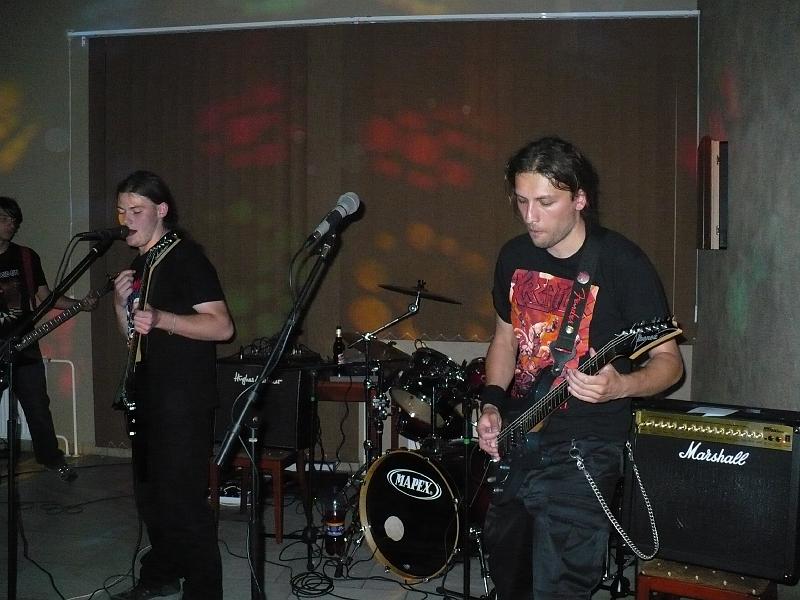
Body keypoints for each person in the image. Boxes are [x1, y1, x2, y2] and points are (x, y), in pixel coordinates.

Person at [476, 136, 683, 599]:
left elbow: (670, 364)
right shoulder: (513, 257)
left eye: (545, 202)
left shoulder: (622, 263)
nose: (530, 216)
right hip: (522, 435)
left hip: (586, 447)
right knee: (510, 577)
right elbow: (505, 338)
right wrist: (491, 403)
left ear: (580, 199)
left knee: (560, 584)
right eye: (522, 201)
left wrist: (620, 385)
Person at [111, 171, 234, 600]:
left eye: (136, 210)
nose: (126, 219)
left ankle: (204, 593)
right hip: (147, 396)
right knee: (151, 499)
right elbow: (134, 338)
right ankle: (161, 574)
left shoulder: (185, 258)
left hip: (182, 400)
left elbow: (222, 327)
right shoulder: (139, 265)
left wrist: (165, 319)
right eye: (122, 211)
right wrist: (120, 306)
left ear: (161, 210)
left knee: (183, 501)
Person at [0, 196, 95, 482]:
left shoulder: (26, 257)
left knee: (38, 406)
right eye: (4, 219)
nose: (11, 225)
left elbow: (45, 297)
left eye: (14, 220)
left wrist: (80, 304)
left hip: (24, 345)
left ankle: (52, 459)